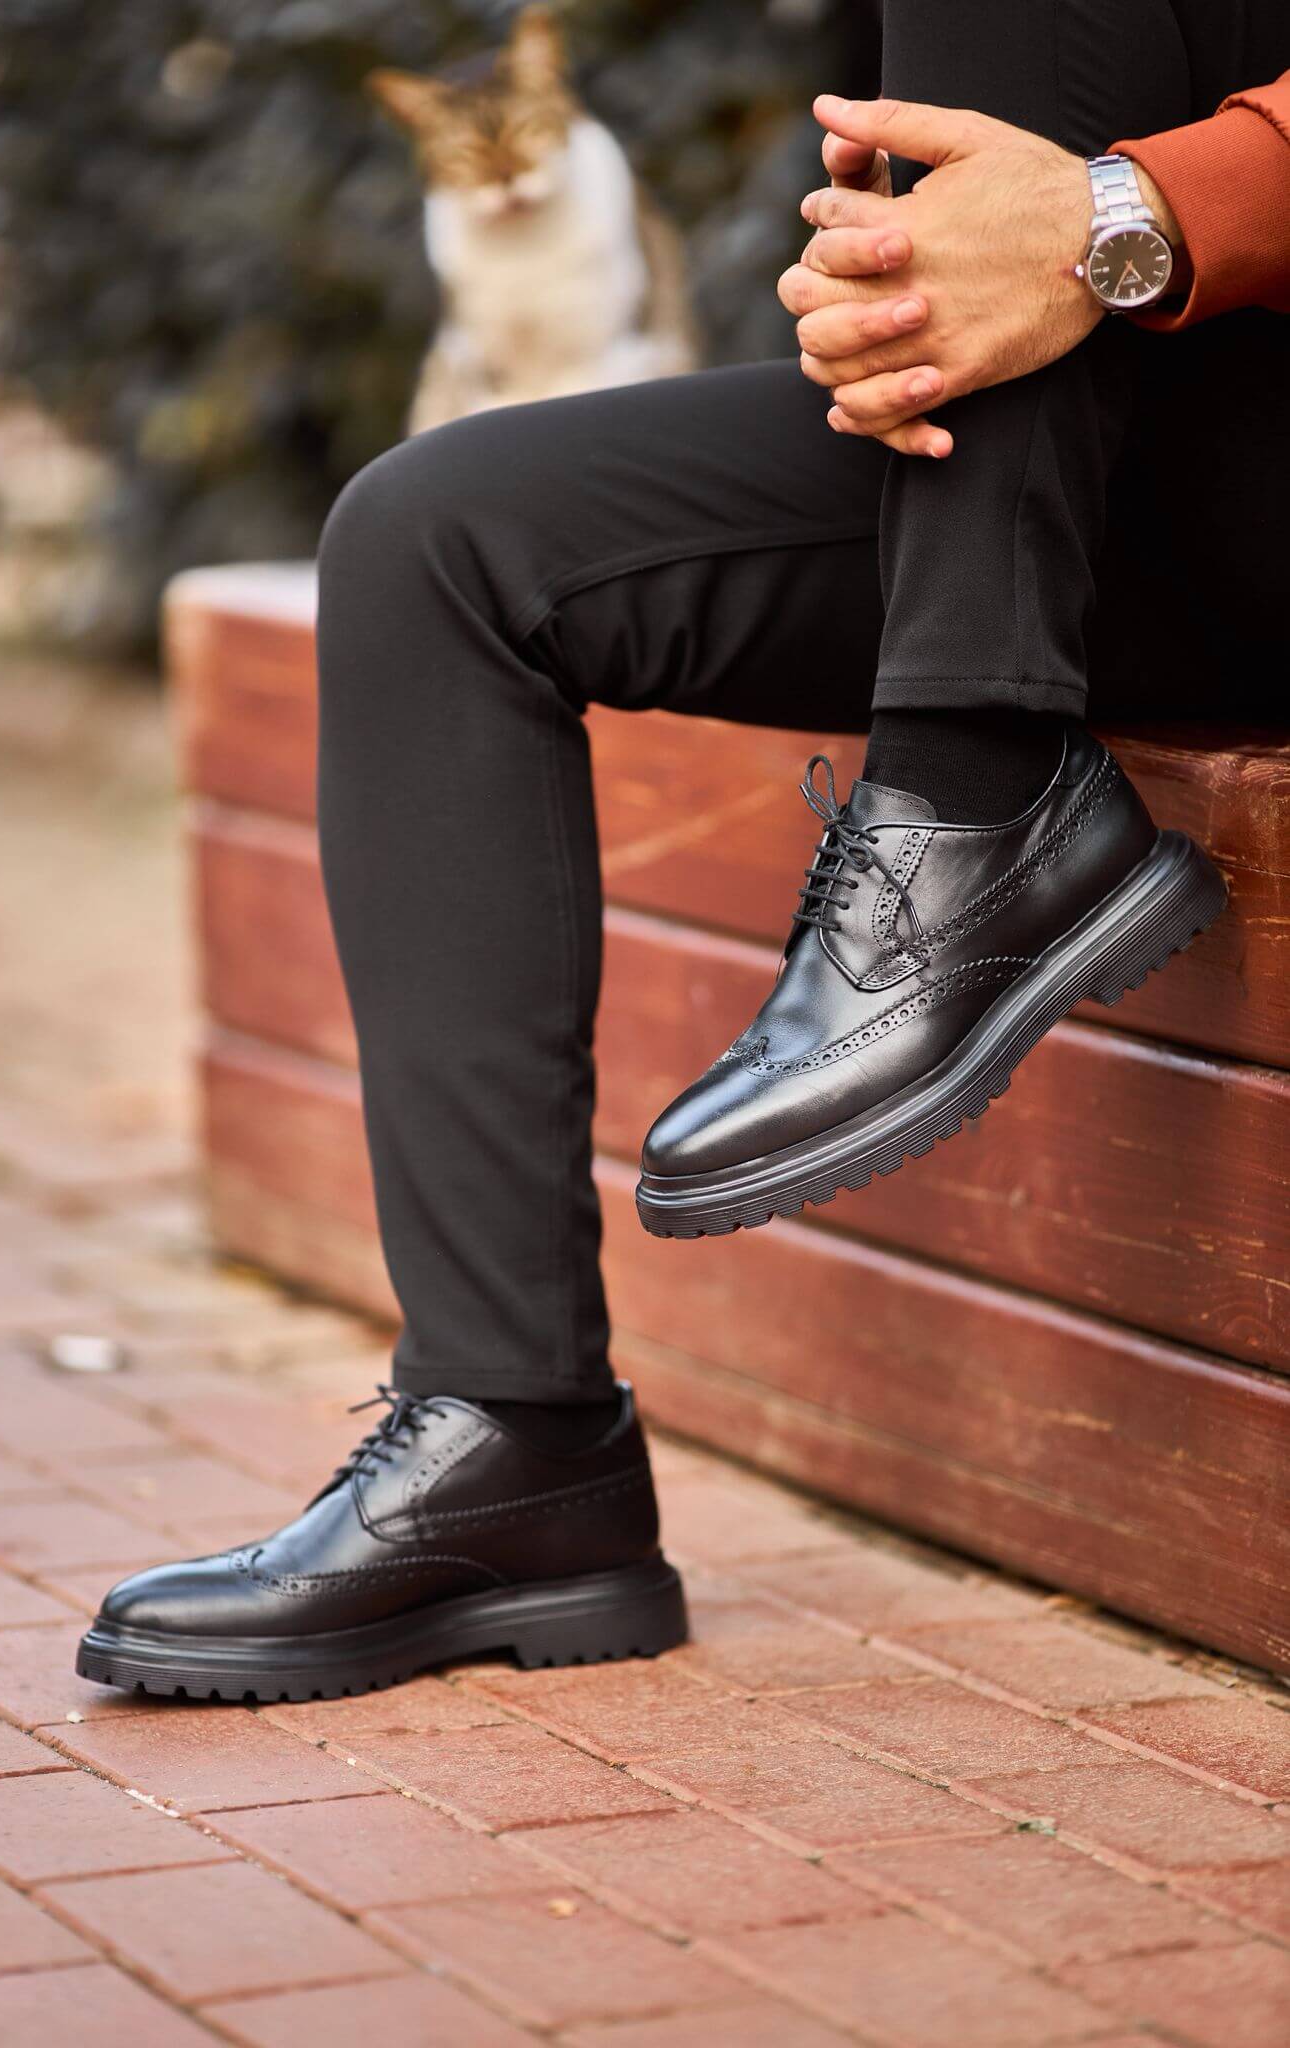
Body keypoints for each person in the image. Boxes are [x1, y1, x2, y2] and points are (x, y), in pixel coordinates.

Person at [79, 3, 1288, 1702]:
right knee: (437, 543)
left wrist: (1128, 214)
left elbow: (1106, 180)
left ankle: (966, 783)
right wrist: (904, 260)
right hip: (1107, 447)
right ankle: (515, 1439)